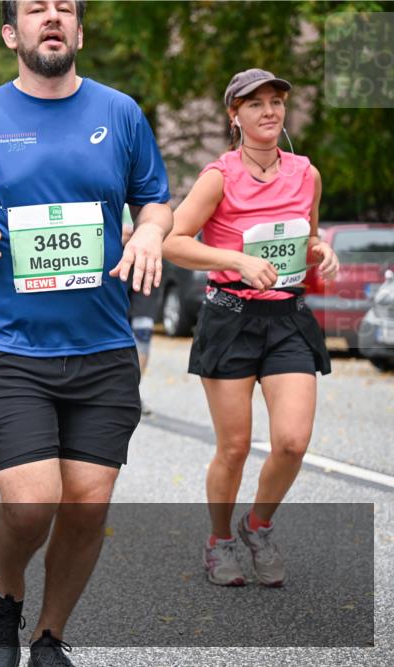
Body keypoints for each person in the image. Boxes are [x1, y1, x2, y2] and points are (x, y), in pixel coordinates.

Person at [0, 2, 172, 665]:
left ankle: (50, 636)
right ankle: (4, 596)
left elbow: (155, 197)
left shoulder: (120, 113)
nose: (51, 16)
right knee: (32, 505)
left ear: (79, 32)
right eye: (36, 8)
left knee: (87, 507)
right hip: (6, 348)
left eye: (64, 8)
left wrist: (148, 230)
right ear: (12, 34)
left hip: (104, 348)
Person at [163, 69, 339, 588]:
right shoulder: (218, 176)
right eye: (255, 103)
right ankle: (219, 541)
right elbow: (174, 241)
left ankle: (257, 526)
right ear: (234, 116)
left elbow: (303, 237)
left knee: (291, 441)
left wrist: (321, 248)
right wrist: (235, 260)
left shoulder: (306, 173)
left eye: (276, 102)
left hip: (287, 318)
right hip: (231, 317)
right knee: (235, 447)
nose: (269, 111)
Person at [121, 205, 160, 416]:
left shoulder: (143, 188)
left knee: (143, 331)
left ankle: (134, 390)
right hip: (113, 266)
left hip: (144, 266)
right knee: (118, 329)